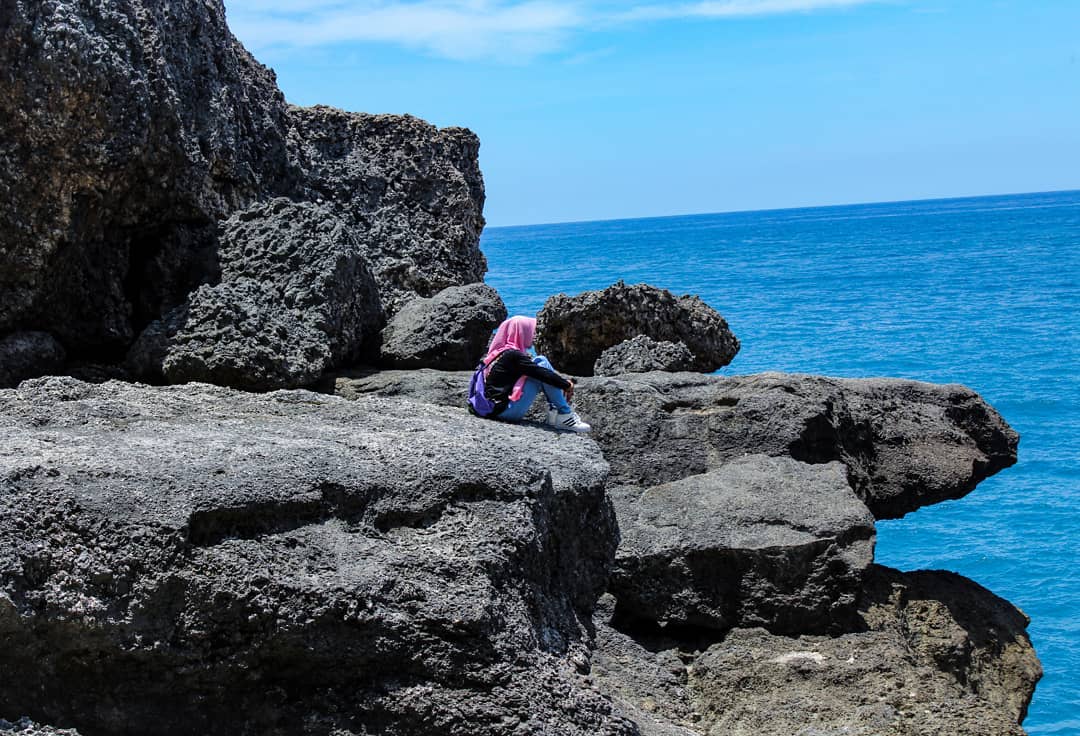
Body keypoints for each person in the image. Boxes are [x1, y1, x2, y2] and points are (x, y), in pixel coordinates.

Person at [480, 316, 591, 432]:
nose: (533, 336)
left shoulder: (499, 353)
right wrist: (566, 385)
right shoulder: (514, 356)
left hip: (492, 409)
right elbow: (540, 373)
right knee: (541, 363)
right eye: (531, 331)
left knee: (539, 365)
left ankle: (555, 413)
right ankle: (564, 414)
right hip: (505, 412)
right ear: (522, 332)